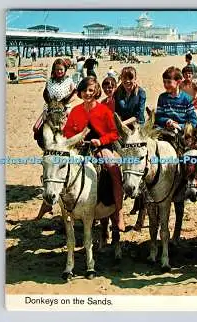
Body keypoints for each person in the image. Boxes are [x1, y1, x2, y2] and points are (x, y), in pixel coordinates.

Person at [62, 77, 125, 231]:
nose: (87, 93)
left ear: (96, 91)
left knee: (113, 169)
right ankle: (62, 206)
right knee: (59, 168)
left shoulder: (104, 110)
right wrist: (75, 140)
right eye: (84, 90)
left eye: (90, 90)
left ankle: (119, 211)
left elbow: (114, 133)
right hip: (80, 148)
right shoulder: (76, 111)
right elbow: (67, 132)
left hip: (101, 147)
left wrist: (101, 141)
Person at [33, 58, 77, 219]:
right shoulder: (49, 81)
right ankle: (47, 150)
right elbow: (46, 94)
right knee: (37, 129)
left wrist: (64, 102)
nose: (60, 72)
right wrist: (52, 104)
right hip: (50, 109)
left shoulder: (69, 81)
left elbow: (74, 93)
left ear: (65, 70)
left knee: (69, 131)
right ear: (54, 70)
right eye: (57, 69)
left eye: (62, 70)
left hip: (65, 109)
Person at [154, 66, 197, 132]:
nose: (166, 85)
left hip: (182, 132)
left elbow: (193, 121)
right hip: (165, 130)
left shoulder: (187, 99)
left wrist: (179, 126)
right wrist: (167, 121)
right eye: (164, 82)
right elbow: (158, 117)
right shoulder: (162, 98)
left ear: (178, 82)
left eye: (169, 82)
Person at [179, 65, 197, 132]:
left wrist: (192, 103)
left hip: (193, 106)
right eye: (185, 73)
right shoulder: (180, 85)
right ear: (183, 75)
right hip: (182, 106)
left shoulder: (194, 84)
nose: (187, 75)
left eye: (189, 73)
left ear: (192, 75)